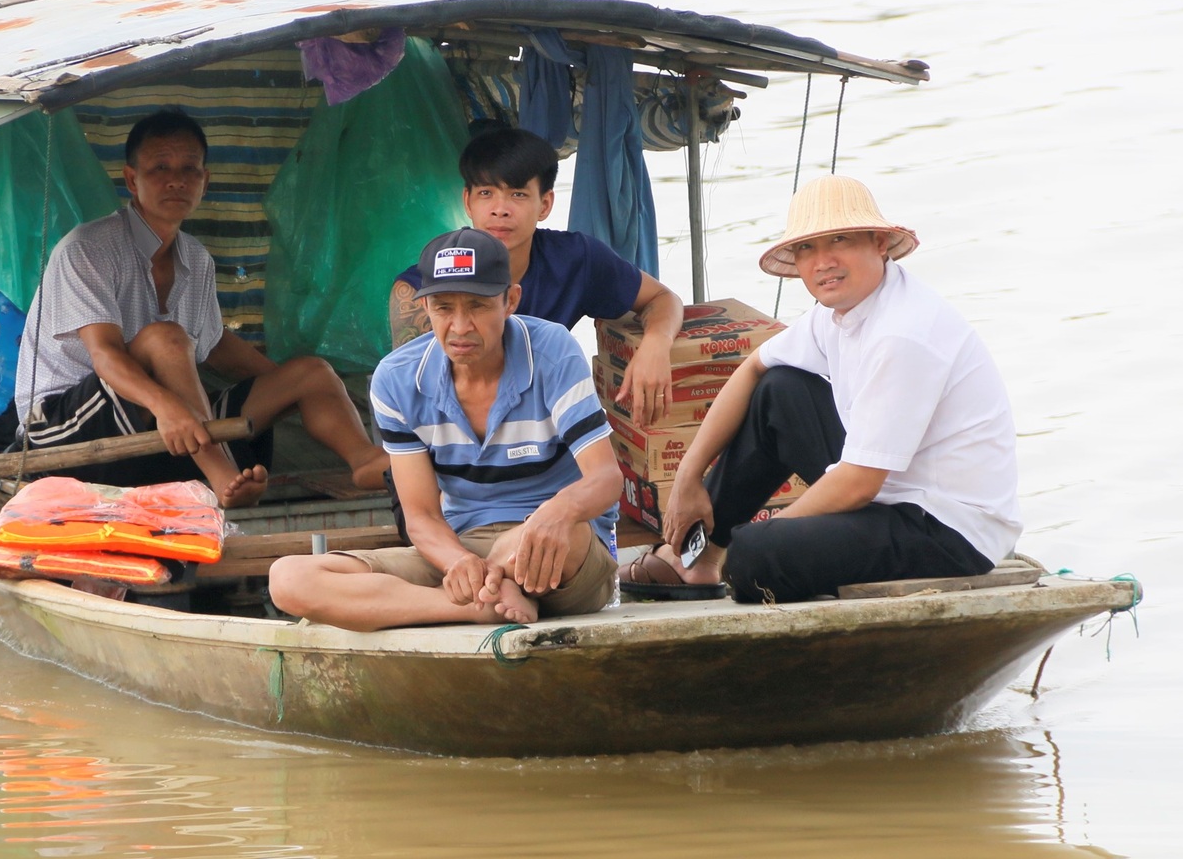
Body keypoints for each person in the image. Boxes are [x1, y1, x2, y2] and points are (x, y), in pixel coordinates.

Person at [620, 176, 1021, 602]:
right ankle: (697, 560)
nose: (823, 261)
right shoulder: (839, 311)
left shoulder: (903, 333)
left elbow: (858, 484)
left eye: (841, 240)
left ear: (880, 242)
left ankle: (729, 556)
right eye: (807, 248)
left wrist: (781, 532)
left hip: (948, 528)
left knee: (755, 558)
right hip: (891, 494)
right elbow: (754, 367)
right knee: (780, 389)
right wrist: (687, 477)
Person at [13, 110, 388, 508]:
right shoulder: (88, 248)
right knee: (166, 338)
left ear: (205, 180)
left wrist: (294, 388)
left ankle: (366, 462)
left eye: (190, 169)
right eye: (160, 167)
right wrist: (166, 407)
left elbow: (216, 346)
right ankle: (221, 475)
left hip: (157, 430)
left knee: (311, 372)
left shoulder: (196, 257)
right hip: (61, 427)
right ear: (131, 179)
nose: (176, 180)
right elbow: (105, 355)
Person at [269, 229, 623, 631]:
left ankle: (484, 587)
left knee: (558, 536)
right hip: (460, 548)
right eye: (442, 307)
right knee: (290, 579)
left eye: (477, 306)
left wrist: (554, 514)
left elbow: (605, 478)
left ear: (511, 301)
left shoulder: (552, 350)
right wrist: (459, 564)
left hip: (559, 551)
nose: (459, 327)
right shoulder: (397, 378)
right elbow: (420, 516)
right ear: (426, 309)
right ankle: (475, 606)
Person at [387, 126, 684, 426]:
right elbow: (412, 401)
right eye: (486, 193)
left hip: (541, 425)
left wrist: (655, 347)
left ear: (544, 204)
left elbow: (662, 298)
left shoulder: (576, 259)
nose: (500, 210)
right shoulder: (420, 290)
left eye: (517, 194)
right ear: (468, 202)